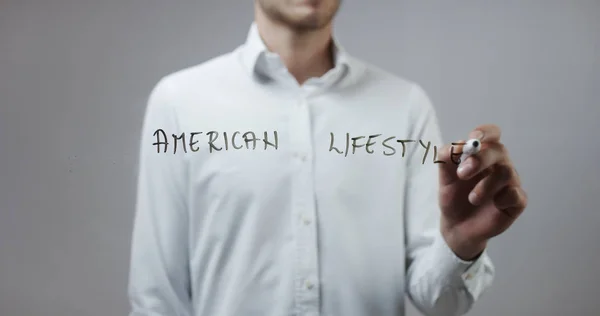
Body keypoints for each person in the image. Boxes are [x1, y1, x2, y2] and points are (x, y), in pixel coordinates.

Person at [127, 1, 528, 315]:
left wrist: (459, 245)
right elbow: (156, 299)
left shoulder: (404, 105)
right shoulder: (180, 103)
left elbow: (441, 302)